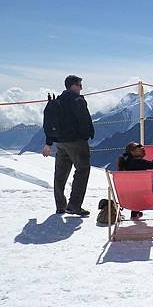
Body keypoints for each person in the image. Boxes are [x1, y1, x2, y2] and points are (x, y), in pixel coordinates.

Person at [42, 75, 94, 216]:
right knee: (82, 170)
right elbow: (84, 120)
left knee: (60, 174)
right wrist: (86, 135)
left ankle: (60, 205)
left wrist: (49, 142)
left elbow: (49, 122)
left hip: (61, 143)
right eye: (79, 85)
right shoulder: (77, 101)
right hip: (76, 141)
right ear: (73, 86)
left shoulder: (57, 101)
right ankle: (74, 205)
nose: (81, 87)